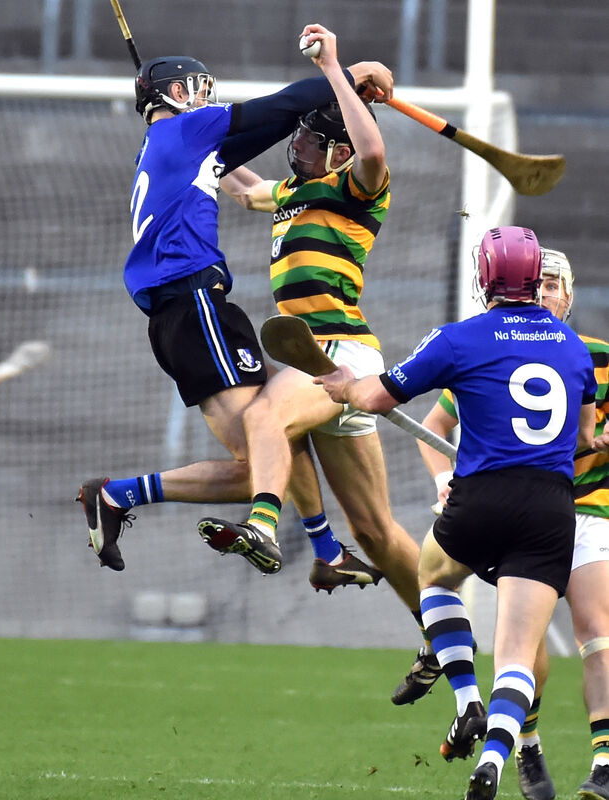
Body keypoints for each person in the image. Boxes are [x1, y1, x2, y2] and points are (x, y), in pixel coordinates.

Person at [76, 28, 393, 591]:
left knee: (269, 451)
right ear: (174, 94)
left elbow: (250, 150)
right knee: (269, 451)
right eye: (198, 90)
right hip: (197, 300)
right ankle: (267, 529)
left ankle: (119, 496)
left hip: (172, 316)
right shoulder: (186, 129)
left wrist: (341, 90)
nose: (207, 101)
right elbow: (280, 108)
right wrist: (345, 72)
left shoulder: (167, 146)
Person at [315, 225, 597, 800]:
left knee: (433, 576)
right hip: (550, 508)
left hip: (482, 497)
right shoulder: (574, 348)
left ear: (487, 276)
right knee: (520, 654)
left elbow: (377, 397)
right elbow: (586, 437)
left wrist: (346, 385)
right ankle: (493, 757)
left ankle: (467, 700)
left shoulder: (459, 338)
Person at [197, 23, 426, 639]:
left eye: (310, 142)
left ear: (340, 150)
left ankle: (266, 527)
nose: (295, 148)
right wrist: (190, 141)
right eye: (297, 139)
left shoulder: (357, 188)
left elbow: (375, 153)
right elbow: (242, 189)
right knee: (374, 531)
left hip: (341, 353)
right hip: (313, 362)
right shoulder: (297, 190)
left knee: (265, 420)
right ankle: (445, 644)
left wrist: (336, 69)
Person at [405, 247, 609, 800]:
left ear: (568, 295)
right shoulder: (498, 349)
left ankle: (603, 764)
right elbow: (437, 421)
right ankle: (526, 748)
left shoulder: (593, 355)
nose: (542, 294)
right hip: (542, 512)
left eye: (552, 286)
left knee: (597, 632)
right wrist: (443, 477)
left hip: (588, 510)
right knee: (527, 649)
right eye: (535, 284)